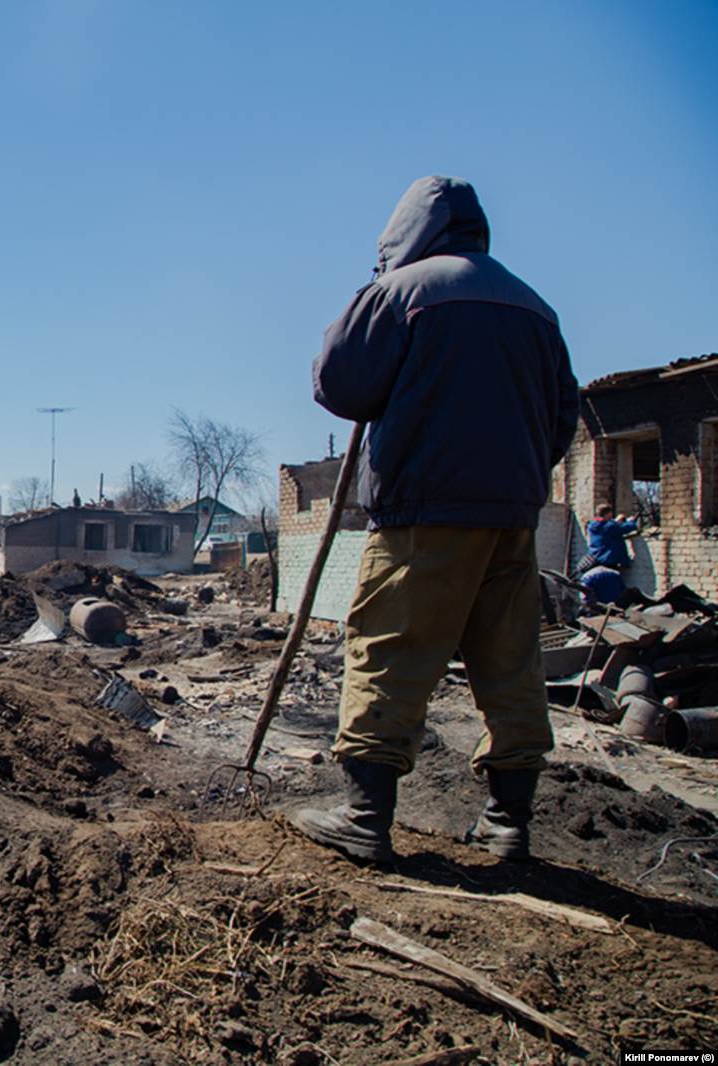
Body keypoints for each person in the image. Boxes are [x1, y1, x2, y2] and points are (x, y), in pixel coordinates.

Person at [292, 176, 579, 863]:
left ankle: (365, 815)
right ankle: (509, 821)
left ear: (405, 233)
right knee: (509, 659)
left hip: (425, 511)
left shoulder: (405, 292)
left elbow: (338, 382)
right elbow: (562, 418)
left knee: (389, 648)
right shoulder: (535, 307)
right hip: (511, 515)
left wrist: (374, 294)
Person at [579, 503, 637, 572]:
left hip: (596, 560)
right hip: (609, 561)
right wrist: (631, 521)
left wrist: (615, 522)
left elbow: (608, 527)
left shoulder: (592, 525)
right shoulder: (609, 527)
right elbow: (626, 528)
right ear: (608, 513)